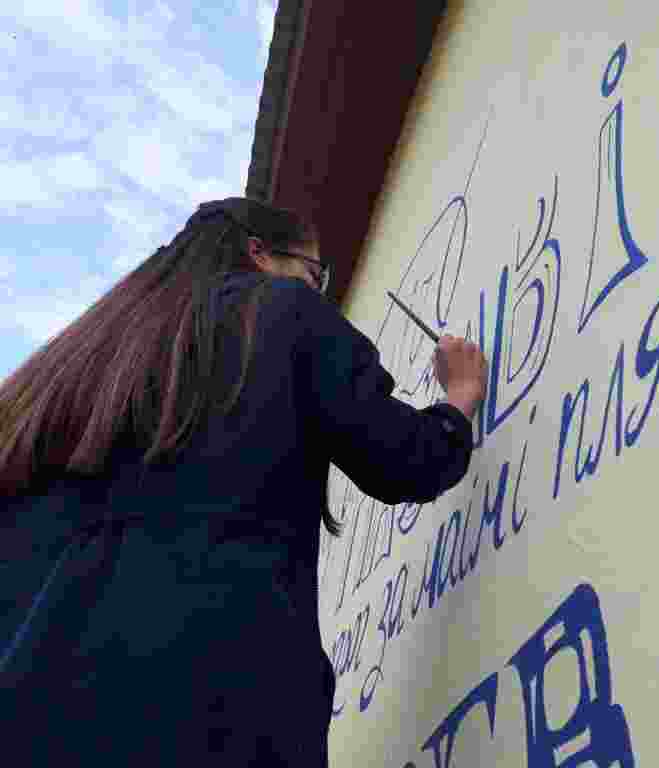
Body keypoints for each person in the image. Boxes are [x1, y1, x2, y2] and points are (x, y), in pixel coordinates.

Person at [0, 197, 488, 766]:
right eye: (315, 274)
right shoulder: (280, 311)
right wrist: (458, 399)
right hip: (214, 710)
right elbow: (405, 457)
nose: (317, 292)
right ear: (258, 253)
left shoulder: (55, 378)